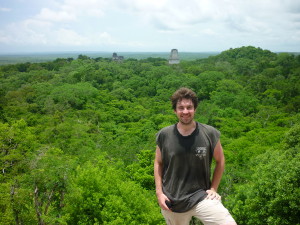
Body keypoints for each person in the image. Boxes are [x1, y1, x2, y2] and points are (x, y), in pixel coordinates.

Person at [154, 87, 236, 225]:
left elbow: (220, 160)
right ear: (175, 110)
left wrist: (214, 188)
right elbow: (158, 163)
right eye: (181, 108)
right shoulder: (164, 135)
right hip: (173, 201)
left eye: (189, 107)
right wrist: (159, 193)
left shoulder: (210, 133)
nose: (185, 112)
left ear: (195, 109)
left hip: (201, 197)